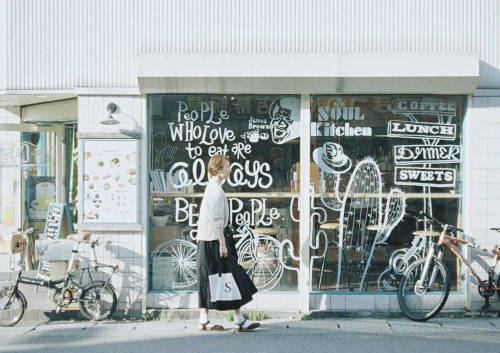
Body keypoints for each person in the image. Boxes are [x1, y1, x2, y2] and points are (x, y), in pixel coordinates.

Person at [196, 154, 260, 331]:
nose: (229, 169)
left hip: (209, 240)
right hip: (215, 241)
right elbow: (217, 220)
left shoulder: (213, 188)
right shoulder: (215, 191)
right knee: (230, 277)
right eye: (226, 166)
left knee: (211, 279)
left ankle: (204, 319)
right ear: (217, 169)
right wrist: (223, 244)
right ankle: (238, 319)